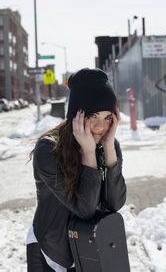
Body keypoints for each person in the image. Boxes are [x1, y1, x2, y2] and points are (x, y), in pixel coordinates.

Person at [26, 68, 127, 271]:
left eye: (108, 117)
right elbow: (85, 209)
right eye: (94, 116)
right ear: (76, 115)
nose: (101, 126)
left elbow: (115, 202)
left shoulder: (108, 144)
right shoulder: (48, 150)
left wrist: (108, 150)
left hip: (88, 247)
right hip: (51, 251)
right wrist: (89, 153)